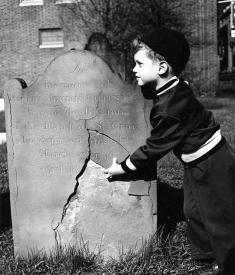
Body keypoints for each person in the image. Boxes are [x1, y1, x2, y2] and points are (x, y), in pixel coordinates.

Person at [103, 28, 235, 275]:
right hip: (195, 161)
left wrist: (123, 167)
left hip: (212, 161)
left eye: (140, 63)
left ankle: (228, 265)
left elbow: (154, 148)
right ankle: (207, 257)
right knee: (192, 210)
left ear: (162, 68)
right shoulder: (173, 88)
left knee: (219, 216)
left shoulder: (171, 108)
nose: (134, 69)